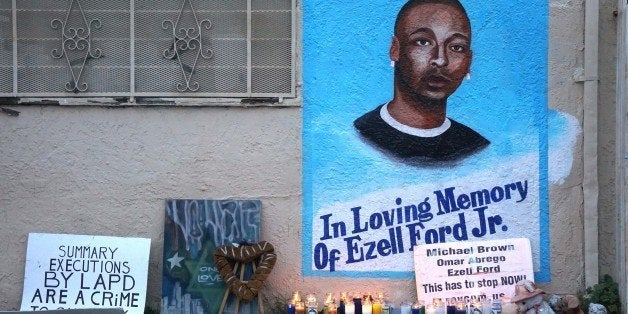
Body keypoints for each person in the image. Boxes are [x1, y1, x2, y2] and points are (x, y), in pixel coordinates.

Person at [354, 0, 489, 163]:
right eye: (423, 42)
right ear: (395, 50)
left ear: (468, 62)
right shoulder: (360, 135)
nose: (440, 60)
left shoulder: (476, 148)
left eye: (456, 47)